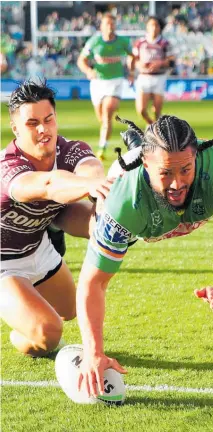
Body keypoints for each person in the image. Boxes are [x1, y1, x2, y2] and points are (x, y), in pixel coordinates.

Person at [75, 115, 213, 396]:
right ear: (147, 167)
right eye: (166, 174)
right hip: (138, 209)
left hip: (160, 201)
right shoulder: (123, 201)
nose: (177, 184)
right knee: (95, 232)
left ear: (197, 157)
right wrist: (93, 353)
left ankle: (139, 143)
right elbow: (93, 282)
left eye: (185, 170)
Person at [0, 78, 113, 358]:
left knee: (71, 310)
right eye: (32, 123)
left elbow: (91, 170)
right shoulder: (9, 166)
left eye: (48, 119)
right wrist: (88, 187)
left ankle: (24, 312)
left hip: (37, 247)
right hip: (3, 263)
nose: (43, 129)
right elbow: (50, 185)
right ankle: (21, 329)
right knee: (48, 335)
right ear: (15, 129)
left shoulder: (71, 150)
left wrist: (114, 220)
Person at [77, 12, 135, 161]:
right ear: (101, 26)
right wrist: (88, 70)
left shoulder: (123, 41)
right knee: (102, 118)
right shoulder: (94, 42)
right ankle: (105, 133)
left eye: (112, 24)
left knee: (107, 112)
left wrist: (131, 71)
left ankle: (102, 148)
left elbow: (132, 55)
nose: (110, 27)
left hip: (115, 81)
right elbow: (81, 60)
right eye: (107, 24)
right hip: (98, 83)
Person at [133, 16, 175, 125]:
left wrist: (159, 63)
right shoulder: (140, 43)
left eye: (156, 25)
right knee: (141, 110)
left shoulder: (165, 43)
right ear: (147, 26)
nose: (154, 28)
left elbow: (171, 61)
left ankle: (155, 130)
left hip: (159, 77)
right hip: (144, 77)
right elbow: (134, 59)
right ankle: (151, 124)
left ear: (160, 28)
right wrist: (139, 65)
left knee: (157, 111)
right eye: (151, 25)